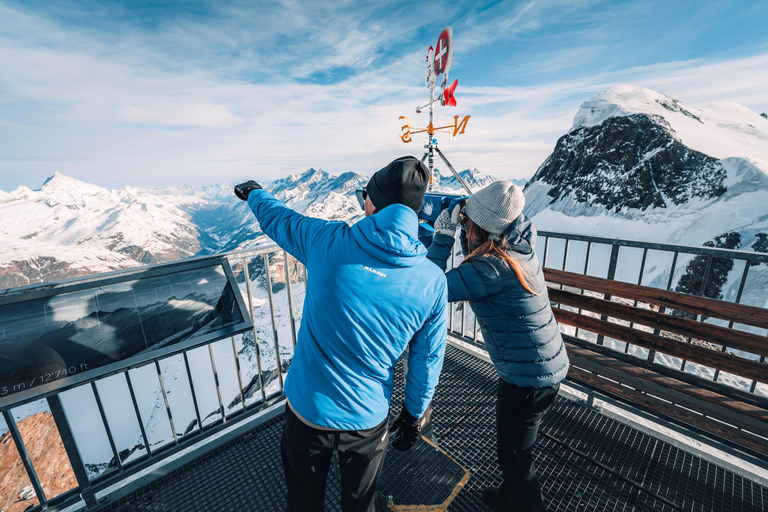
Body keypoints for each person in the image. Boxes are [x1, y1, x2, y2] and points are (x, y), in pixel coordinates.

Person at [234, 156, 448, 512]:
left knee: (303, 499)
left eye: (366, 193)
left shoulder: (327, 240)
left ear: (373, 203)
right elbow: (426, 360)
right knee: (361, 504)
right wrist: (413, 414)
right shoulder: (432, 282)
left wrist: (255, 194)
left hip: (307, 409)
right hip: (367, 417)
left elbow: (280, 220)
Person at [426, 180, 569, 512]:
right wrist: (472, 216)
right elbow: (482, 248)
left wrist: (442, 240)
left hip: (528, 379)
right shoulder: (517, 245)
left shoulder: (490, 270)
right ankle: (509, 498)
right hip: (540, 367)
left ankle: (524, 503)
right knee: (515, 448)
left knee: (515, 457)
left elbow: (429, 289)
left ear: (480, 227)